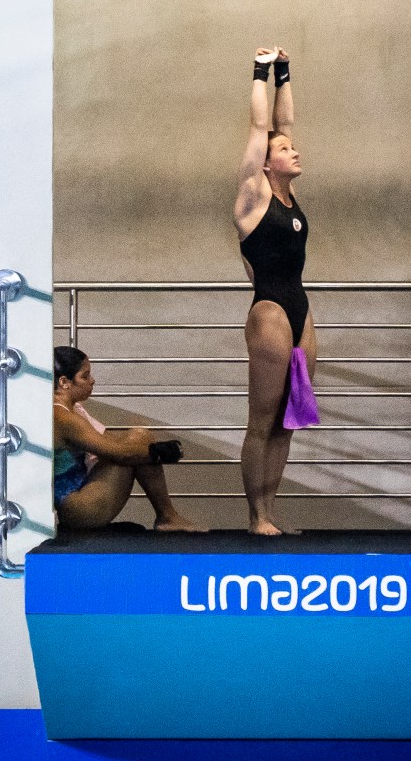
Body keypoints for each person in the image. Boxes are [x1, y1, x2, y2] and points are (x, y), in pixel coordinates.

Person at [233, 47, 318, 535]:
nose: (294, 151)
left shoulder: (289, 195)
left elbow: (284, 123)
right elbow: (260, 128)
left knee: (289, 419)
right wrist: (260, 71)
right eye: (284, 150)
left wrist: (286, 71)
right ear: (264, 165)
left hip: (301, 308)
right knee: (262, 419)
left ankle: (272, 511)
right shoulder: (253, 195)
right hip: (268, 311)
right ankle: (255, 515)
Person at [53, 345, 204, 531]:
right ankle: (167, 517)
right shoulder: (62, 416)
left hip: (79, 501)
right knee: (137, 443)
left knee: (139, 437)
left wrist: (147, 445)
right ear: (64, 382)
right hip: (79, 511)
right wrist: (158, 452)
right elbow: (120, 453)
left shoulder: (73, 409)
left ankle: (168, 516)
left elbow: (112, 443)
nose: (92, 381)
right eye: (85, 376)